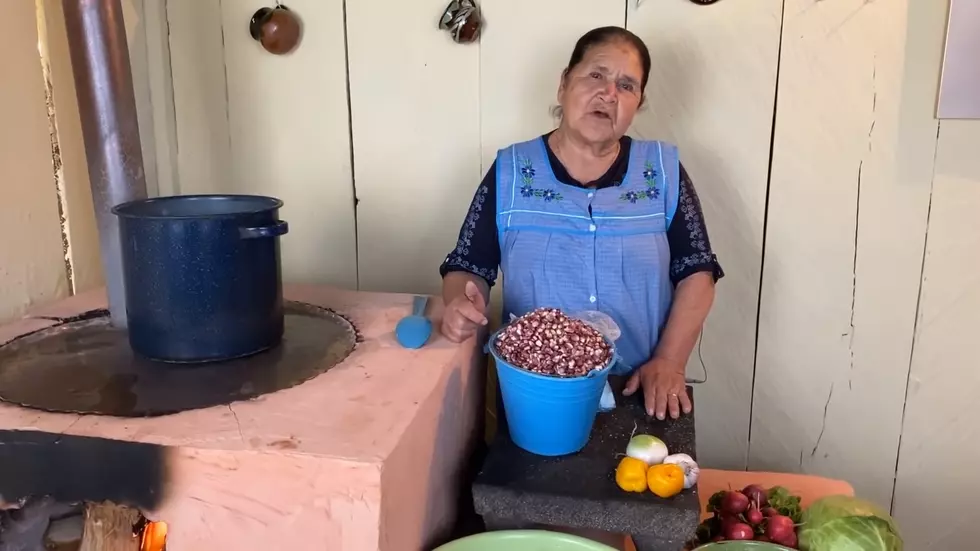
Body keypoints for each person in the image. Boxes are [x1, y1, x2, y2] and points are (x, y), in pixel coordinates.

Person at [439, 26, 722, 421]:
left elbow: (697, 273)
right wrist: (459, 303)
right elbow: (469, 266)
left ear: (637, 104)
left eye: (627, 85)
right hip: (536, 393)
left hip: (639, 389)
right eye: (596, 75)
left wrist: (669, 362)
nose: (609, 93)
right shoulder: (512, 172)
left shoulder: (663, 171)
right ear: (563, 84)